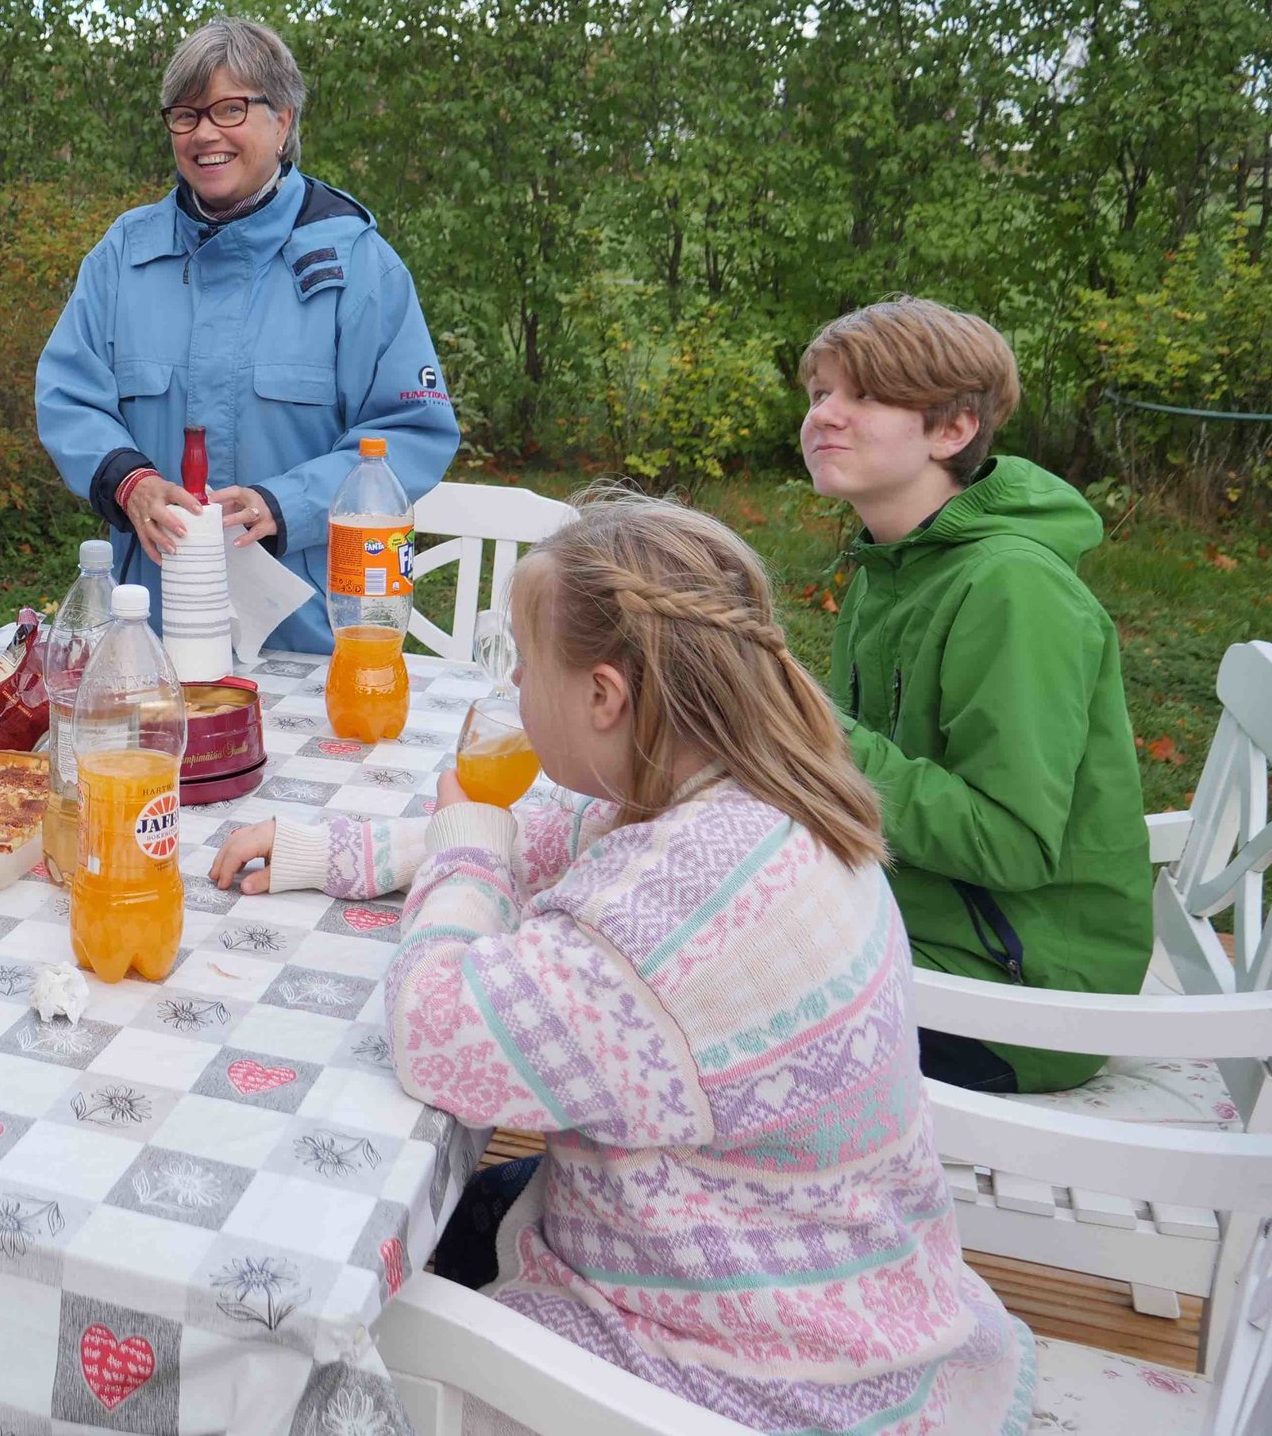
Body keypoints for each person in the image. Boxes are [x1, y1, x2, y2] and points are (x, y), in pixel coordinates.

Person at [210, 493, 1027, 1436]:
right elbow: (550, 832)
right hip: (830, 1269)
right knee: (447, 1214)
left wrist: (462, 842)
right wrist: (335, 853)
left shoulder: (659, 925)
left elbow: (433, 1031)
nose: (515, 687)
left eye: (524, 665)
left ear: (604, 694)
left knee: (318, 1308)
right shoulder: (744, 787)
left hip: (746, 1368)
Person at [800, 297, 1148, 1094]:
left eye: (866, 396)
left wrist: (815, 734)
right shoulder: (894, 564)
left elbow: (1013, 842)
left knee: (702, 993)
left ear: (953, 430)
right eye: (821, 392)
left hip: (1017, 997)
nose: (828, 415)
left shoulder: (1013, 589)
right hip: (911, 928)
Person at [34, 15, 458, 650]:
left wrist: (284, 504)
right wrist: (132, 481)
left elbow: (410, 432)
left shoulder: (358, 265)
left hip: (306, 640)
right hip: (146, 638)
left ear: (283, 120)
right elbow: (68, 397)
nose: (206, 133)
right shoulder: (122, 257)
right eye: (186, 114)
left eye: (230, 109)